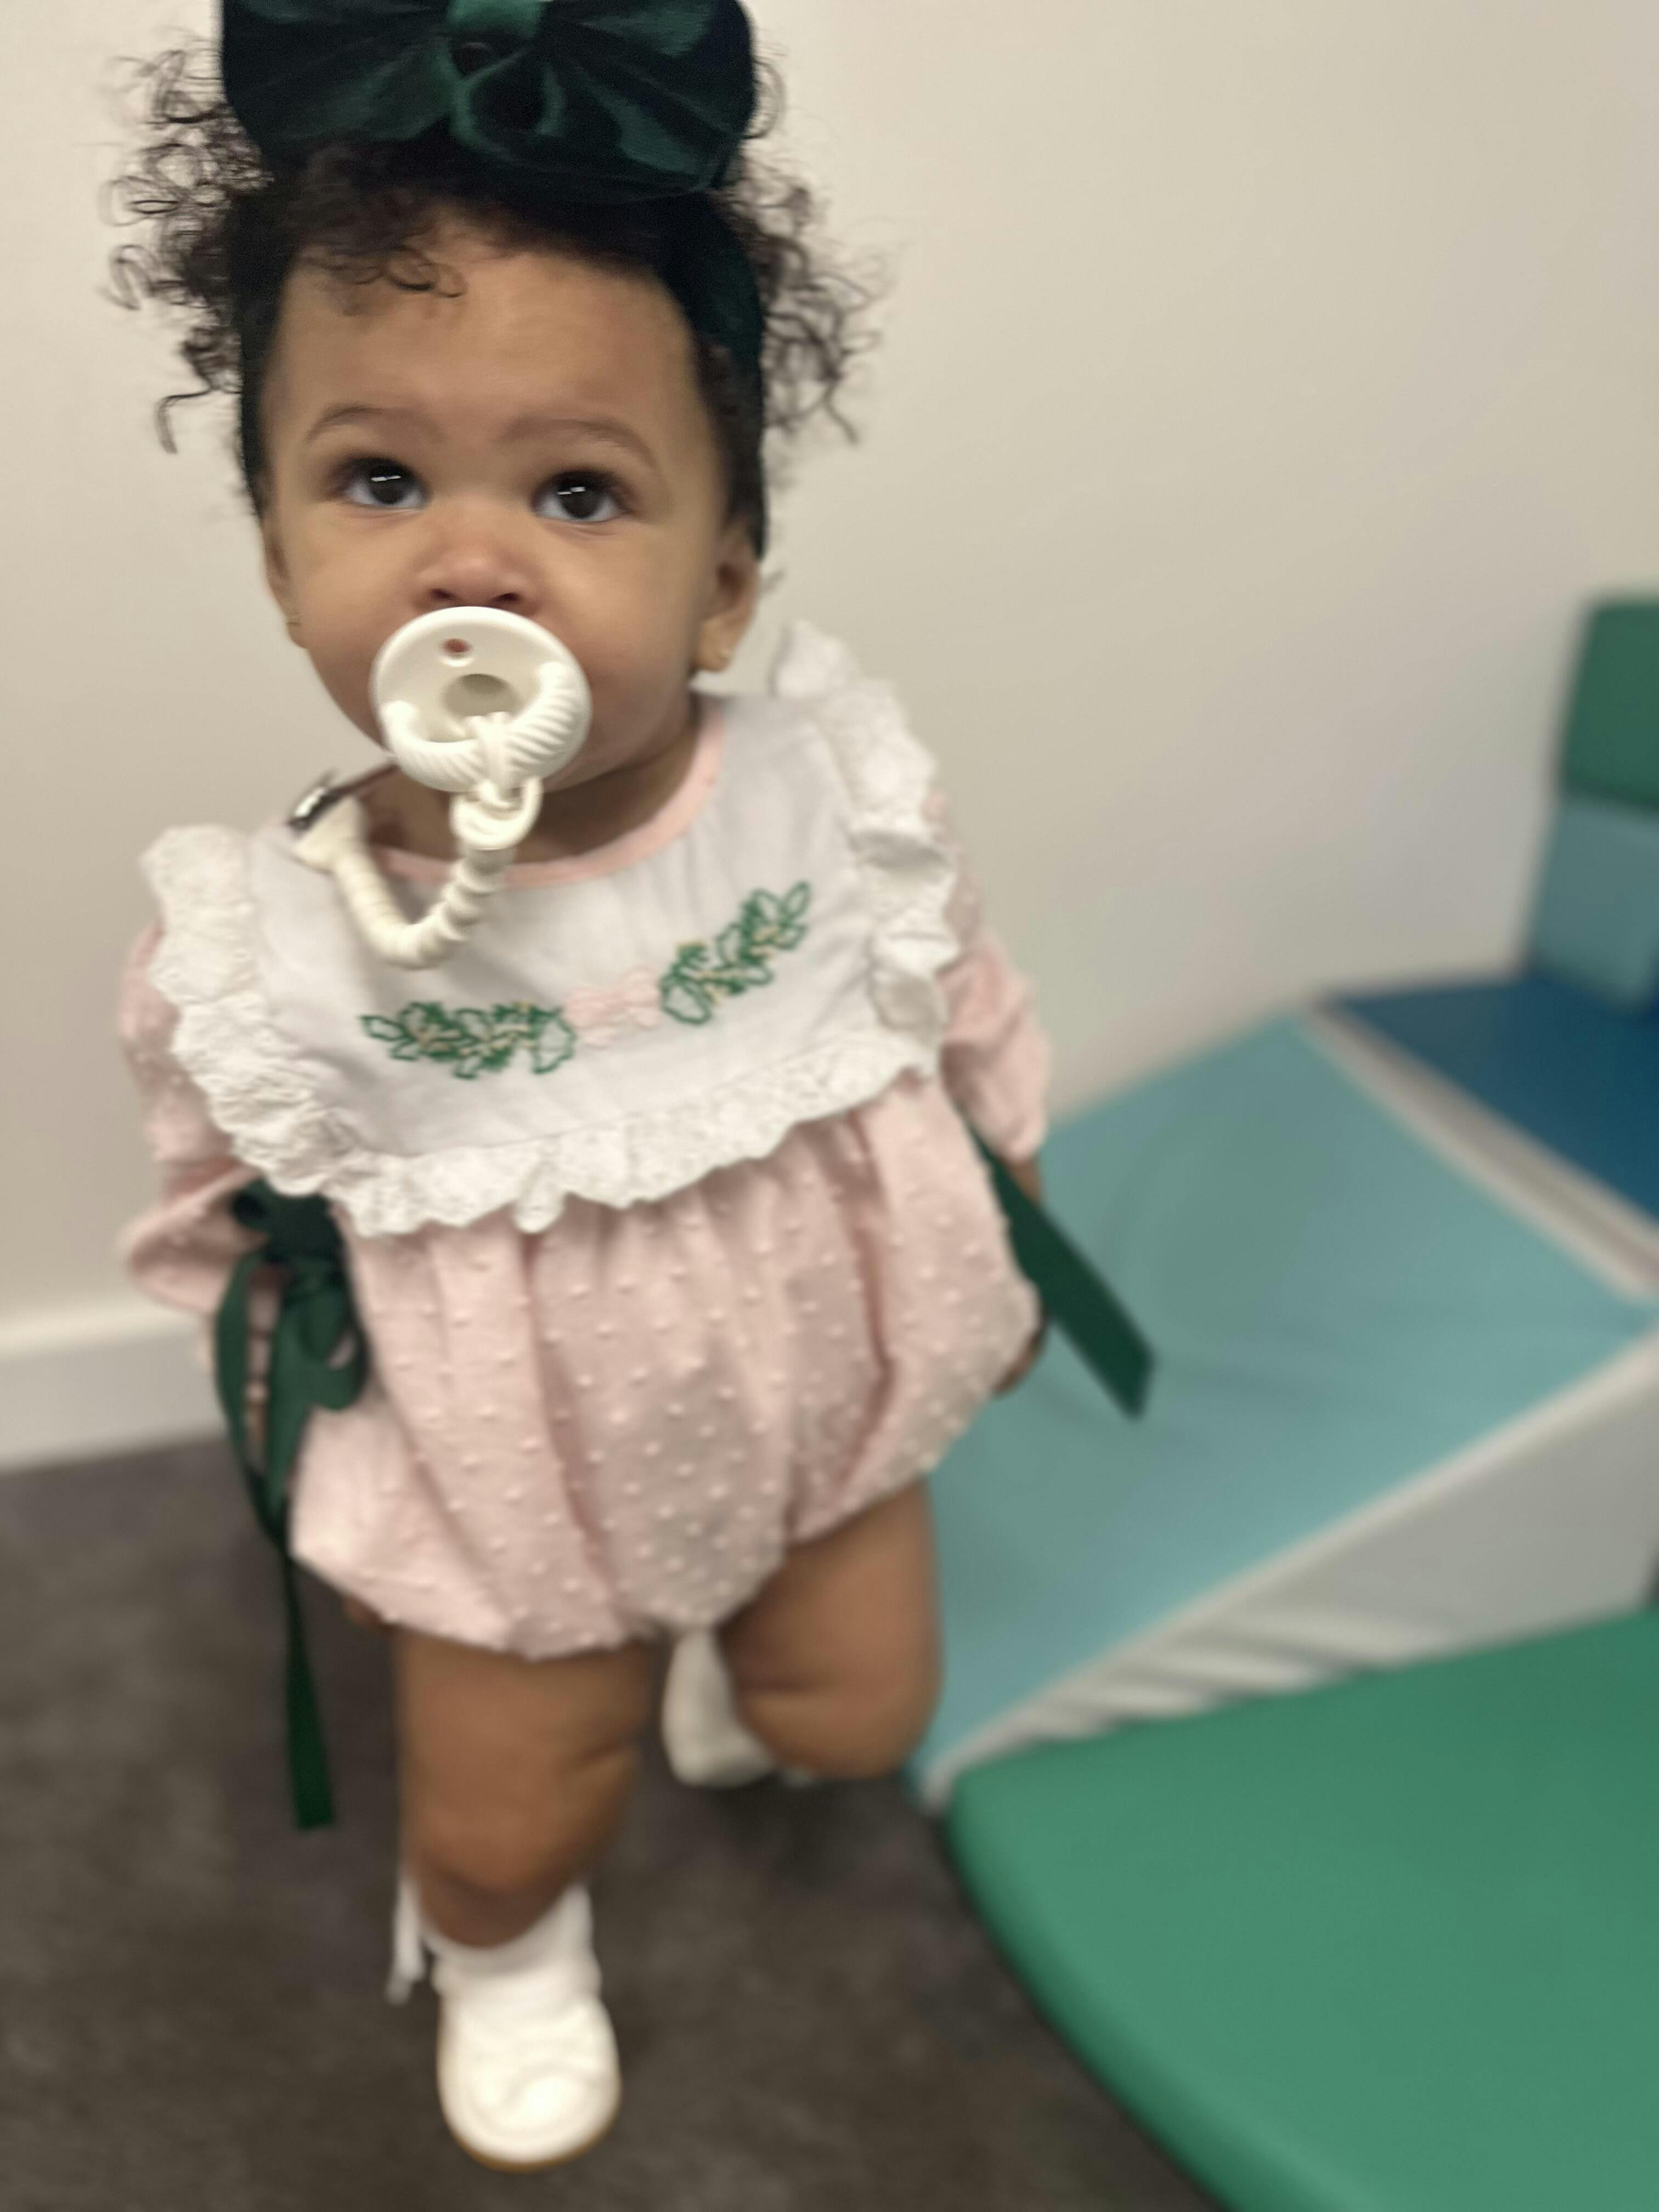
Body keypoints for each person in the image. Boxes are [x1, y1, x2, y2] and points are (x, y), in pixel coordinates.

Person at [112, 0, 1052, 2172]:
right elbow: (221, 1223)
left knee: (852, 1710)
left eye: (577, 492)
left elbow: (956, 1010)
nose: (471, 561)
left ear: (719, 585)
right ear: (280, 554)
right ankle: (506, 1948)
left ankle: (730, 1639)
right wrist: (307, 1448)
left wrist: (1006, 1203)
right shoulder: (265, 947)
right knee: (512, 1801)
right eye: (378, 481)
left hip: (827, 1371)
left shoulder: (832, 798)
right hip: (511, 1466)